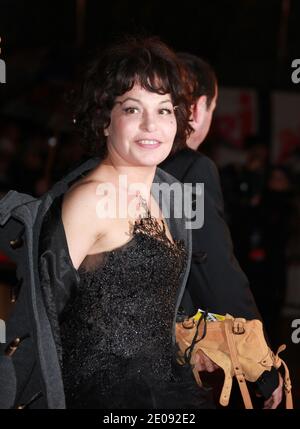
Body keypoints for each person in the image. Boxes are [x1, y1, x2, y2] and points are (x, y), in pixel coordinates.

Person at [0, 37, 214, 409]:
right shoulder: (89, 201)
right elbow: (41, 322)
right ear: (104, 120)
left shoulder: (165, 195)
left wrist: (184, 345)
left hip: (164, 393)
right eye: (133, 109)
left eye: (164, 110)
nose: (152, 124)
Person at [160, 53, 283, 409]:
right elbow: (211, 269)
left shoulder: (117, 165)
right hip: (163, 365)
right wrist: (261, 365)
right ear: (199, 108)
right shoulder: (191, 169)